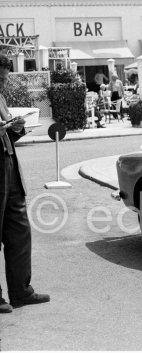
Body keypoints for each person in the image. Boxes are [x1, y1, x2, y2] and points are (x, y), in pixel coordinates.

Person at [0, 54, 50, 314]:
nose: (3, 83)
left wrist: (17, 128)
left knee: (19, 233)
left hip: (10, 170)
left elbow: (5, 136)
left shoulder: (1, 98)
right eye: (0, 78)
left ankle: (21, 291)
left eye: (5, 78)